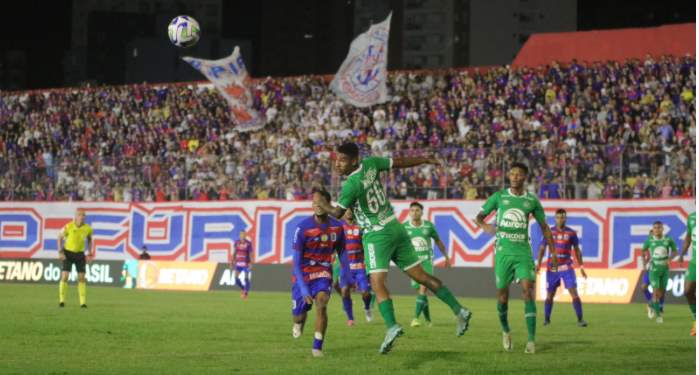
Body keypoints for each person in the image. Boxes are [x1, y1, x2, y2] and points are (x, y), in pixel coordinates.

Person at [315, 142, 472, 355]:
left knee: (376, 282)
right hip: (395, 227)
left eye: (342, 160)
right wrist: (424, 158)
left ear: (354, 160)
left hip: (377, 235)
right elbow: (399, 162)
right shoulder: (371, 164)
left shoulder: (350, 184)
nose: (337, 164)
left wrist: (321, 204)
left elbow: (337, 213)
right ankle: (459, 310)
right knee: (422, 276)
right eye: (336, 159)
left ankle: (392, 326)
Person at [475, 162, 556, 354]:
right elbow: (479, 216)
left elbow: (545, 227)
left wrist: (553, 252)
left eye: (518, 174)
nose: (514, 177)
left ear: (525, 177)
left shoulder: (531, 201)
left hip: (523, 253)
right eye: (511, 174)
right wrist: (485, 226)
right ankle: (505, 330)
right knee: (502, 297)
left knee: (528, 291)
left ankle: (531, 341)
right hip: (503, 253)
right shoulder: (499, 197)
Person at [291, 188, 351, 357]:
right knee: (299, 316)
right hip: (303, 274)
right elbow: (295, 262)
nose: (317, 204)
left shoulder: (337, 227)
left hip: (323, 271)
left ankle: (317, 346)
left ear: (328, 204)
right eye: (314, 201)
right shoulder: (302, 228)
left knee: (322, 303)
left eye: (320, 201)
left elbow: (343, 253)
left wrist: (348, 275)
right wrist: (303, 289)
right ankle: (299, 322)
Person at [536, 209, 588, 327]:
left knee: (573, 292)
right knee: (550, 294)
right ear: (555, 218)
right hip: (553, 267)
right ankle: (547, 319)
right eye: (558, 217)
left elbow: (577, 250)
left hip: (567, 267)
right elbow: (542, 248)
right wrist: (538, 263)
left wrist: (581, 266)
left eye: (562, 217)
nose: (560, 219)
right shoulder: (549, 232)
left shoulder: (571, 233)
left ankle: (580, 319)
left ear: (566, 218)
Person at [404, 201, 452, 328]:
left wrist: (446, 256)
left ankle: (415, 318)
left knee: (423, 288)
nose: (414, 213)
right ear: (409, 213)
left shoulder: (428, 226)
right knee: (421, 292)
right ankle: (428, 320)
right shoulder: (404, 227)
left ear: (421, 212)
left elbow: (438, 241)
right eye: (412, 210)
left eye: (417, 210)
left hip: (426, 262)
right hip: (413, 264)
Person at [335, 208, 373, 325]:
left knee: (365, 293)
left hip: (360, 265)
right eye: (347, 210)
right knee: (344, 290)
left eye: (351, 209)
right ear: (343, 212)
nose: (349, 212)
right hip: (346, 266)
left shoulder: (361, 226)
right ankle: (350, 318)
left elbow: (368, 242)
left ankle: (367, 308)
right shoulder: (339, 226)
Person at [57, 209, 94, 308]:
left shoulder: (88, 228)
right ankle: (62, 301)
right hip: (68, 253)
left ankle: (83, 303)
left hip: (80, 254)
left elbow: (90, 239)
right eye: (80, 215)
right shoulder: (69, 226)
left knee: (81, 278)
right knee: (65, 276)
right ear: (76, 217)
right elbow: (59, 237)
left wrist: (90, 252)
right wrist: (60, 252)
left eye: (84, 215)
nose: (82, 217)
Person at [642, 221, 678, 323]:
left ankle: (650, 304)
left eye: (659, 227)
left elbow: (675, 252)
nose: (657, 229)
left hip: (665, 269)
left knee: (661, 294)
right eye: (655, 228)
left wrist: (669, 259)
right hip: (653, 269)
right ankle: (659, 316)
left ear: (663, 229)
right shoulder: (649, 241)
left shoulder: (668, 240)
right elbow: (643, 250)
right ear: (653, 229)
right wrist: (645, 262)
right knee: (655, 292)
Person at [679, 212, 696, 335]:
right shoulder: (691, 217)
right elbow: (688, 237)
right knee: (687, 291)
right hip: (695, 262)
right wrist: (682, 253)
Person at [232, 231, 253, 299]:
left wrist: (251, 263)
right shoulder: (236, 243)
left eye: (243, 234)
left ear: (245, 235)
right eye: (241, 234)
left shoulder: (248, 243)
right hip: (238, 263)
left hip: (246, 263)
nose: (242, 235)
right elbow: (235, 252)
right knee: (236, 279)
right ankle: (243, 288)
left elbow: (250, 254)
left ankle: (245, 294)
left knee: (246, 278)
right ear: (239, 235)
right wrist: (232, 261)